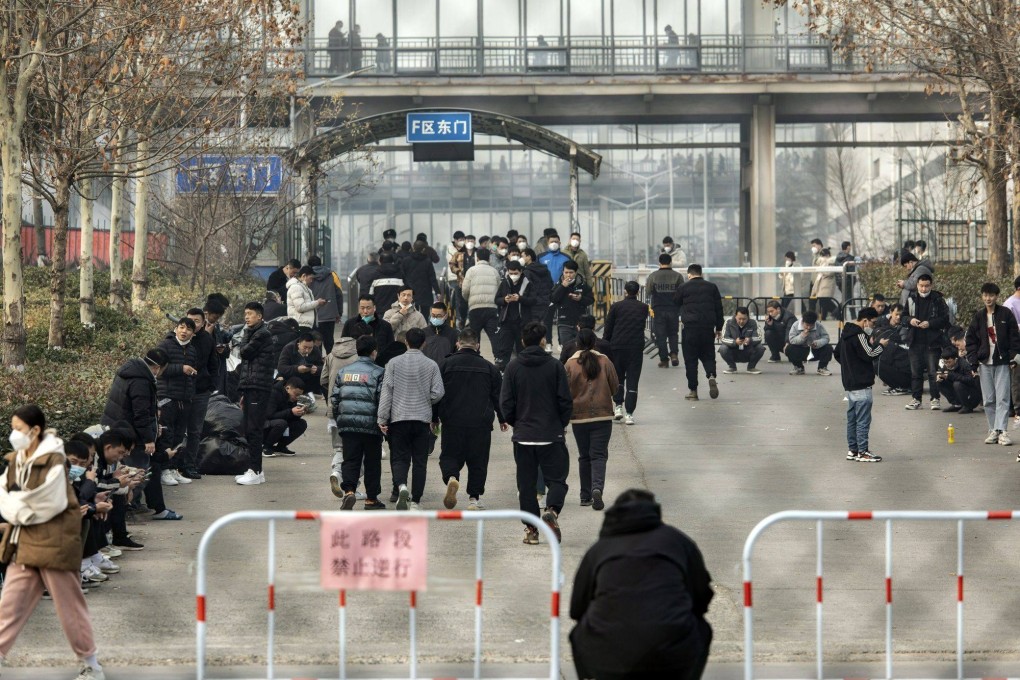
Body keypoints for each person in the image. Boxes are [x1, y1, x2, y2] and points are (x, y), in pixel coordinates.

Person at [0, 405, 108, 680]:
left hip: (56, 545)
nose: (15, 434)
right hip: (26, 545)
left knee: (69, 607)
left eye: (19, 429)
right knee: (9, 606)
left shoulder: (53, 461)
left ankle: (90, 664)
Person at [569, 489, 712, 680]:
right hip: (671, 657)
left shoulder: (599, 549)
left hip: (608, 658)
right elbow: (702, 598)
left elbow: (576, 608)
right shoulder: (678, 541)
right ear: (654, 511)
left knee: (577, 633)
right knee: (702, 628)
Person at [500, 321, 573, 545]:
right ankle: (551, 509)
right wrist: (559, 424)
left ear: (522, 341)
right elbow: (565, 401)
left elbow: (506, 403)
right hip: (551, 434)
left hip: (523, 437)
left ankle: (531, 531)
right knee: (558, 480)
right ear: (543, 341)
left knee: (526, 486)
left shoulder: (513, 367)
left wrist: (517, 423)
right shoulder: (554, 366)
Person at [437, 329, 507, 512]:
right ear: (477, 345)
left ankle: (452, 477)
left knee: (450, 455)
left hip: (452, 421)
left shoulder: (445, 365)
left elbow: (436, 394)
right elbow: (497, 396)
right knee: (478, 461)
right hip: (480, 423)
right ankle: (474, 499)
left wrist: (434, 417)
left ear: (458, 344)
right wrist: (502, 418)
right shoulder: (490, 368)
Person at [378, 328, 445, 511]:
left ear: (406, 342)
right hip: (422, 419)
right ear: (424, 343)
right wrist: (425, 399)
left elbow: (387, 392)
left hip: (398, 418)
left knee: (399, 458)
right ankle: (415, 501)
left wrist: (382, 418)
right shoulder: (431, 365)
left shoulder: (393, 363)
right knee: (420, 461)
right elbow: (438, 392)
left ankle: (401, 486)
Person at [565, 329, 619, 512]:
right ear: (595, 343)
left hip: (579, 417)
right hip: (603, 415)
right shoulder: (605, 361)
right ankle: (597, 488)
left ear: (577, 344)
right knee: (599, 455)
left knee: (584, 456)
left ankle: (585, 495)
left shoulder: (570, 364)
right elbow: (615, 386)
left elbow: (564, 391)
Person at [333, 336, 387, 510]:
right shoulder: (379, 372)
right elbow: (382, 400)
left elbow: (335, 398)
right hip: (371, 425)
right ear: (374, 351)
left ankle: (349, 490)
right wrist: (383, 422)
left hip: (347, 423)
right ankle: (371, 499)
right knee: (372, 462)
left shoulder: (344, 371)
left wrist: (340, 418)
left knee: (350, 459)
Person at [966, 282, 1020, 448]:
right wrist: (973, 360)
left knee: (1003, 397)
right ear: (982, 296)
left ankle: (1002, 431)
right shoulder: (979, 317)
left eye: (991, 295)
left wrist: (1012, 357)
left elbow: (1014, 338)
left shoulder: (1006, 314)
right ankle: (993, 430)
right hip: (985, 363)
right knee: (989, 399)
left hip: (1002, 362)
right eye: (985, 295)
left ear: (997, 296)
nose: (988, 298)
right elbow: (971, 340)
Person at [837, 308, 888, 463]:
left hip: (850, 382)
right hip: (861, 382)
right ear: (865, 320)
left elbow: (837, 353)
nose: (872, 326)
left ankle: (853, 450)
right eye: (872, 322)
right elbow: (870, 354)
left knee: (853, 418)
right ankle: (863, 452)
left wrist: (849, 366)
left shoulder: (846, 334)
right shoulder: (859, 335)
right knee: (863, 420)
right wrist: (881, 346)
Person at [235, 302, 277, 486]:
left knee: (253, 429)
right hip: (252, 386)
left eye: (250, 314)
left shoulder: (261, 334)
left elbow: (244, 352)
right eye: (245, 314)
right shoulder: (257, 332)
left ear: (259, 316)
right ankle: (255, 470)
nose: (246, 317)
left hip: (258, 387)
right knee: (250, 428)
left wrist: (245, 332)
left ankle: (256, 470)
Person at [155, 318, 198, 487]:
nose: (184, 331)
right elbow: (158, 370)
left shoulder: (192, 350)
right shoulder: (165, 345)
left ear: (193, 333)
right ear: (175, 329)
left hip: (185, 399)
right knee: (167, 433)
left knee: (180, 434)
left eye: (188, 329)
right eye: (181, 327)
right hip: (167, 396)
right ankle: (164, 470)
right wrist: (181, 369)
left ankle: (173, 469)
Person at [674, 264, 724, 401]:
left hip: (690, 328)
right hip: (707, 328)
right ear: (701, 273)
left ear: (689, 274)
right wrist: (719, 328)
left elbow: (676, 303)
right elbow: (719, 308)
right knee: (708, 355)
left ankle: (693, 391)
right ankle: (711, 375)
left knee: (691, 360)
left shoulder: (683, 287)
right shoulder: (711, 287)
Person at [604, 281, 649, 424]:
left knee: (618, 377)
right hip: (635, 347)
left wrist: (605, 344)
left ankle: (618, 406)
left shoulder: (616, 307)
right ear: (637, 292)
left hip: (617, 346)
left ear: (625, 291)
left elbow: (608, 327)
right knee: (633, 380)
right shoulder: (644, 308)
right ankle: (629, 413)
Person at [902, 274, 949, 411]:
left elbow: (945, 319)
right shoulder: (911, 298)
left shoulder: (938, 299)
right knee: (915, 372)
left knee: (933, 371)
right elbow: (903, 316)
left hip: (932, 342)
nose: (923, 289)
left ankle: (935, 398)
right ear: (917, 285)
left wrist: (930, 324)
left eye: (926, 286)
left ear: (931, 285)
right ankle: (916, 399)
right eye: (921, 286)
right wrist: (910, 320)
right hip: (914, 340)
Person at [494, 260, 537, 370]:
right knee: (504, 348)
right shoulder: (505, 283)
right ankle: (503, 371)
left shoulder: (528, 283)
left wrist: (520, 298)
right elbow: (496, 299)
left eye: (515, 273)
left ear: (521, 271)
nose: (513, 275)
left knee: (522, 349)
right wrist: (504, 299)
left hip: (522, 323)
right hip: (507, 321)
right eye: (511, 273)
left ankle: (523, 370)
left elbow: (533, 300)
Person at [645, 253, 684, 368]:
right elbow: (682, 292)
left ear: (659, 263)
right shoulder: (678, 276)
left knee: (660, 335)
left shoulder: (653, 276)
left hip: (659, 309)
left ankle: (664, 360)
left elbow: (648, 291)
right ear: (671, 262)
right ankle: (674, 354)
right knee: (673, 333)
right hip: (673, 309)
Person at [462, 247, 502, 351]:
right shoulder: (494, 271)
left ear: (477, 258)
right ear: (489, 258)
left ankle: (475, 357)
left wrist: (469, 300)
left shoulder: (471, 271)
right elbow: (499, 291)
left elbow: (465, 291)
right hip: (492, 308)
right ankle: (499, 359)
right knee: (494, 336)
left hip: (475, 309)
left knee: (474, 337)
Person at [549, 260, 595, 347]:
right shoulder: (558, 285)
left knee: (581, 347)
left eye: (571, 272)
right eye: (566, 272)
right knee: (567, 347)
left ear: (576, 272)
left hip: (580, 322)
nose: (568, 275)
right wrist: (563, 287)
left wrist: (581, 298)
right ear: (563, 272)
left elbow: (591, 300)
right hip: (564, 321)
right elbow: (553, 299)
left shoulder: (583, 285)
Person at [262, 378, 309, 457]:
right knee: (281, 423)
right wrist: (291, 411)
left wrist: (299, 413)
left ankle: (280, 447)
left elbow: (290, 416)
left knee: (301, 423)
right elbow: (269, 415)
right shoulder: (273, 393)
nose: (297, 397)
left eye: (299, 395)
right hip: (263, 425)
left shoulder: (291, 397)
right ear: (287, 388)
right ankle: (266, 447)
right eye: (296, 394)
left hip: (278, 424)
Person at [306, 255, 343, 353]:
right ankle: (330, 363)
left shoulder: (307, 276)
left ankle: (318, 365)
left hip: (313, 315)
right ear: (320, 263)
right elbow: (339, 294)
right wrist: (339, 313)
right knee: (329, 341)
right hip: (329, 314)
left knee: (315, 342)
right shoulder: (332, 274)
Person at [875, 304, 911, 396]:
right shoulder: (882, 323)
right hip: (888, 354)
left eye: (901, 315)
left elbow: (904, 342)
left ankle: (902, 386)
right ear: (891, 313)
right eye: (896, 314)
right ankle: (895, 384)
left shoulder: (905, 326)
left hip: (901, 356)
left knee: (878, 363)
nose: (899, 317)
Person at [784, 310, 833, 376]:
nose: (809, 327)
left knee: (828, 347)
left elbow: (826, 337)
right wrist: (802, 336)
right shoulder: (795, 325)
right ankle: (799, 367)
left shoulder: (819, 325)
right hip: (801, 350)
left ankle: (822, 367)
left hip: (814, 350)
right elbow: (792, 339)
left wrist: (818, 343)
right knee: (789, 348)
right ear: (803, 322)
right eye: (807, 325)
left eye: (811, 325)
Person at [719, 307, 766, 374]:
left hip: (748, 350)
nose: (741, 321)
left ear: (748, 317)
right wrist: (735, 342)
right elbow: (723, 338)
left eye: (744, 319)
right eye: (739, 319)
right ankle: (732, 367)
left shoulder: (753, 322)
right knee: (723, 348)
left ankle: (751, 367)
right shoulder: (728, 322)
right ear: (735, 316)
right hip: (733, 349)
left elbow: (759, 337)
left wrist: (750, 340)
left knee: (760, 348)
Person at [277, 331, 324, 397]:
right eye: (305, 347)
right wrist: (297, 369)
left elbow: (323, 368)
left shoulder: (315, 350)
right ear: (298, 344)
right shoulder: (288, 348)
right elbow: (281, 368)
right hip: (291, 378)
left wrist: (317, 369)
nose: (307, 350)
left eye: (310, 348)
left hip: (309, 379)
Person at [937, 347, 982, 414]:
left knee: (957, 384)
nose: (947, 364)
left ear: (955, 359)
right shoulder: (945, 365)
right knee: (940, 382)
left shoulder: (964, 365)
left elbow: (970, 379)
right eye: (945, 362)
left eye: (949, 362)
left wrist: (951, 375)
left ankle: (967, 406)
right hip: (959, 390)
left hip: (972, 393)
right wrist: (939, 377)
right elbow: (942, 373)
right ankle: (957, 404)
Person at [401, 240, 441, 312]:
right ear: (423, 249)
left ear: (413, 248)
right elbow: (432, 278)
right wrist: (437, 292)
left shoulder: (406, 260)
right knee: (425, 314)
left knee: (411, 314)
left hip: (410, 291)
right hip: (425, 291)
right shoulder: (427, 261)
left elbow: (402, 276)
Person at [1002, 276, 1020, 426]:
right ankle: (1014, 408)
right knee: (1015, 378)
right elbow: (1007, 329)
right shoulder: (1010, 304)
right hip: (1015, 346)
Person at [287, 266, 326, 332]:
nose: (311, 281)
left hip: (306, 324)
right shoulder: (296, 287)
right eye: (310, 278)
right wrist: (317, 302)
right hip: (300, 325)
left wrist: (318, 303)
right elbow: (300, 307)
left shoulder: (305, 288)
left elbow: (307, 305)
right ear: (304, 276)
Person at [762, 299, 796, 364]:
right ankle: (775, 356)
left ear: (778, 309)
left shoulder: (789, 317)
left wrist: (787, 343)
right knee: (768, 333)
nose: (770, 314)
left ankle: (796, 354)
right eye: (768, 312)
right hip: (779, 340)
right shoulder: (770, 317)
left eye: (772, 311)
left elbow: (790, 331)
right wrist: (770, 325)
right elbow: (766, 330)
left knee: (793, 358)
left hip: (790, 342)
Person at [812, 247, 837, 320]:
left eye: (823, 256)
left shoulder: (831, 262)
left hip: (827, 284)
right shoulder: (821, 262)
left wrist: (821, 270)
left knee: (825, 301)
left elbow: (829, 273)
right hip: (821, 284)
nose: (822, 258)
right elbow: (815, 263)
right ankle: (831, 314)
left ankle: (835, 313)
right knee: (823, 301)